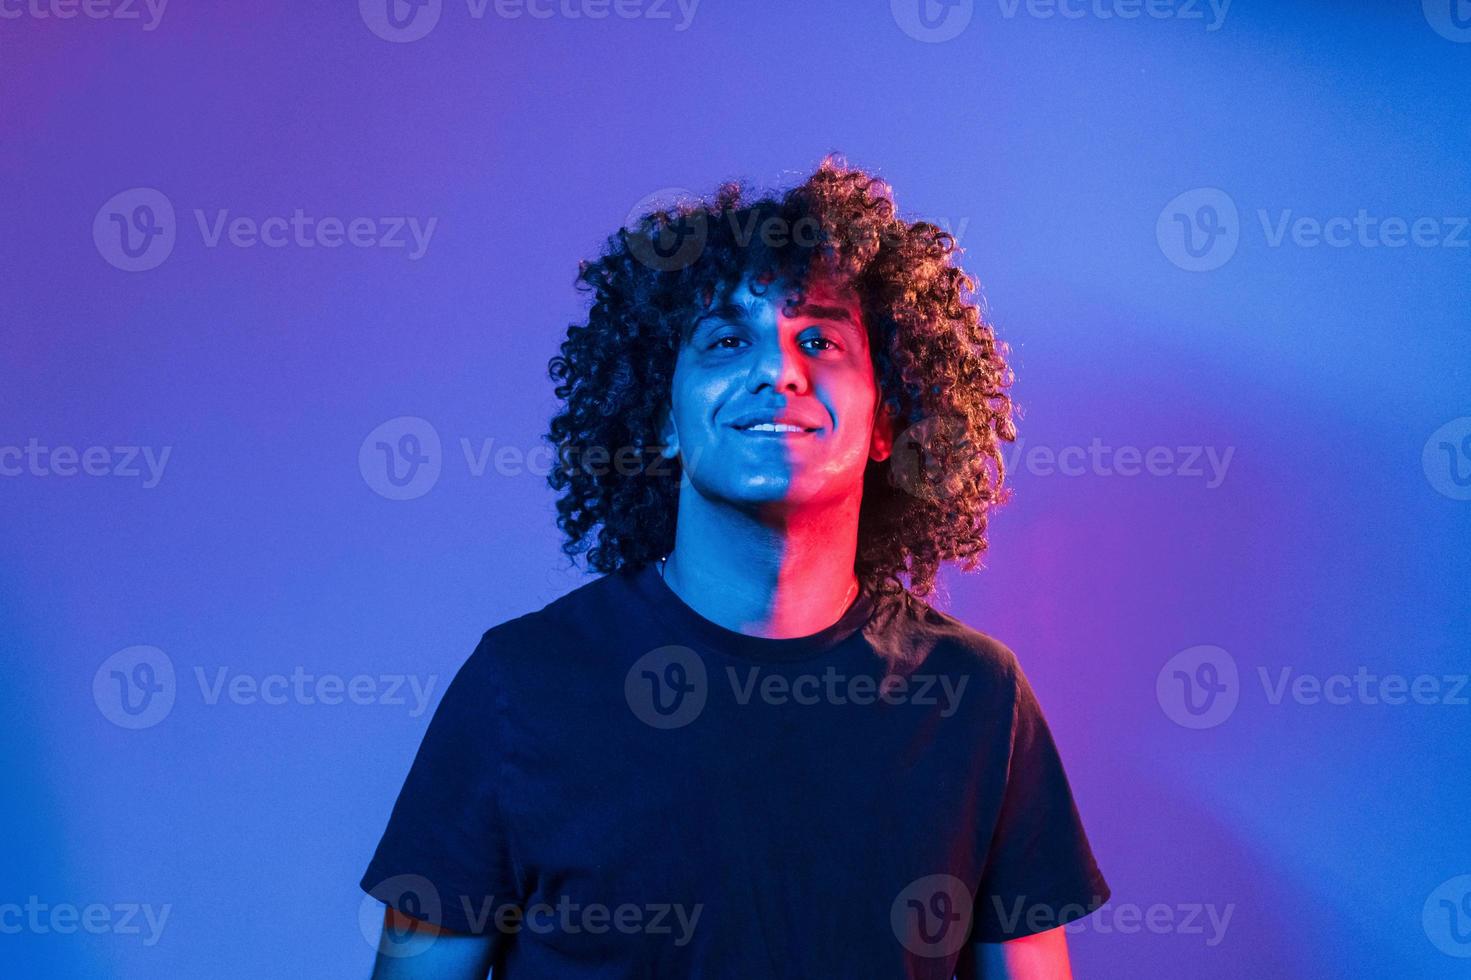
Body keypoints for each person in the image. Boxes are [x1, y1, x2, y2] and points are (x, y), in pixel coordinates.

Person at [359, 155, 1110, 978]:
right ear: (665, 420)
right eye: (724, 340)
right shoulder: (520, 684)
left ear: (888, 421)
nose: (776, 369)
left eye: (818, 338)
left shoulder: (975, 697)